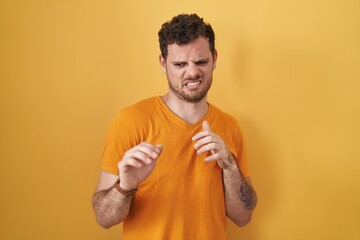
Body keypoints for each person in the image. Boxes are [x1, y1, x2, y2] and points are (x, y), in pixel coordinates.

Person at [92, 13, 257, 240]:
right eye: (180, 64)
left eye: (201, 62)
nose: (192, 72)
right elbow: (103, 218)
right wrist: (125, 186)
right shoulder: (131, 121)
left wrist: (229, 166)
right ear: (163, 62)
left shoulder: (229, 127)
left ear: (215, 58)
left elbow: (243, 217)